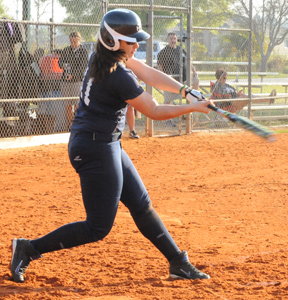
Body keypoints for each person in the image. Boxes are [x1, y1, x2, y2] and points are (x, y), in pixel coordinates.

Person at [10, 9, 214, 283]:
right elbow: (152, 109)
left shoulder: (104, 57)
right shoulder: (117, 76)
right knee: (98, 227)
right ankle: (28, 248)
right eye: (131, 41)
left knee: (141, 204)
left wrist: (185, 91)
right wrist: (192, 108)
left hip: (105, 143)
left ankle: (178, 261)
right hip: (94, 149)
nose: (136, 46)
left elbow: (147, 72)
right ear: (113, 41)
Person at [58, 31, 88, 130]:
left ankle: (78, 123)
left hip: (77, 81)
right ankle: (70, 125)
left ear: (79, 40)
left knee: (77, 104)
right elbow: (60, 62)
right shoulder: (66, 50)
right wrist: (63, 65)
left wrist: (73, 75)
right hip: (65, 81)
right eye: (71, 41)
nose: (73, 44)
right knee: (68, 105)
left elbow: (83, 68)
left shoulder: (83, 52)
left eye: (75, 41)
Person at [211, 68, 277, 113]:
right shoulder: (217, 86)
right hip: (228, 106)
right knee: (248, 97)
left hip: (234, 101)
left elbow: (232, 92)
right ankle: (268, 99)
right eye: (224, 78)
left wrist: (237, 93)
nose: (225, 79)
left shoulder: (225, 85)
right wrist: (234, 94)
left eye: (226, 78)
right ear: (219, 77)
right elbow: (224, 96)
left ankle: (269, 98)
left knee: (249, 96)